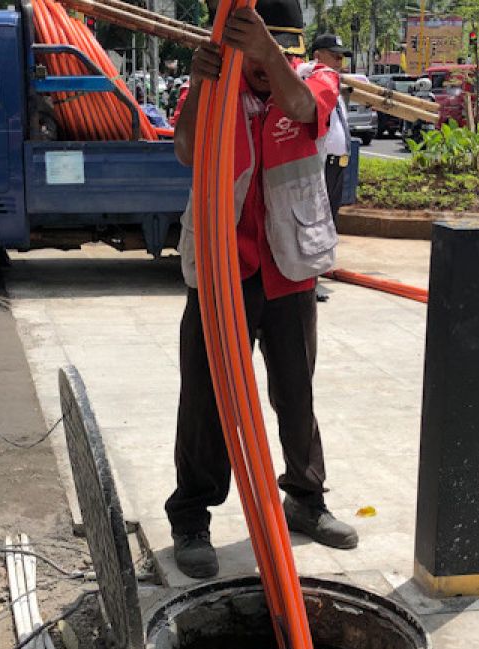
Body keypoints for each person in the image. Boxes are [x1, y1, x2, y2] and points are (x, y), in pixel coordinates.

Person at [167, 0, 357, 579]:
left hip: (289, 268)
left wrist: (266, 53)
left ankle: (305, 498)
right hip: (223, 268)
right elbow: (186, 150)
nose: (256, 67)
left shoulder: (311, 79)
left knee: (296, 391)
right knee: (207, 396)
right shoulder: (211, 86)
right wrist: (203, 85)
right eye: (247, 54)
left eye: (271, 53)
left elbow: (303, 108)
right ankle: (192, 516)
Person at [309, 32, 353, 226]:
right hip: (321, 163)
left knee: (331, 219)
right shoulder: (310, 84)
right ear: (318, 56)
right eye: (334, 56)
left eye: (341, 57)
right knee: (318, 219)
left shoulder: (336, 88)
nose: (339, 62)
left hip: (338, 164)